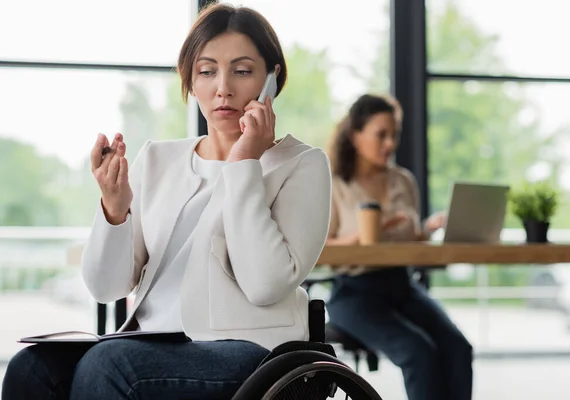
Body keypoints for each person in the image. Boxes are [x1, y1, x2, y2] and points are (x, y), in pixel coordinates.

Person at [1, 4, 331, 400]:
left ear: (271, 79)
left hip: (254, 351)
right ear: (191, 81)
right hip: (152, 342)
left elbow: (264, 285)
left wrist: (244, 162)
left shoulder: (303, 164)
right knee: (32, 367)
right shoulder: (159, 158)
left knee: (110, 365)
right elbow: (105, 287)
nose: (222, 87)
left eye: (242, 71)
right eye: (206, 71)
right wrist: (114, 208)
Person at [325, 94, 472, 400]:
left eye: (395, 135)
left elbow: (411, 241)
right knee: (418, 352)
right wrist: (360, 238)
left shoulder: (404, 181)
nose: (390, 143)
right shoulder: (334, 183)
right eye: (381, 134)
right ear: (355, 135)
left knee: (458, 348)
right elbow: (318, 246)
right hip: (355, 293)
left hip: (402, 286)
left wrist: (427, 230)